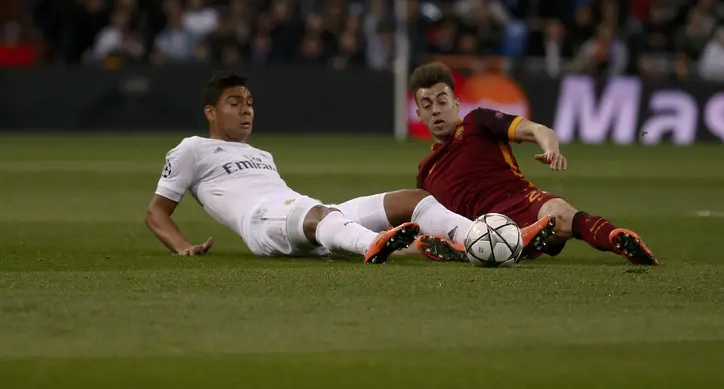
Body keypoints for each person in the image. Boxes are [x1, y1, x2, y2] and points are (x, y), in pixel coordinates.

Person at [145, 71, 497, 264]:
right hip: (262, 223)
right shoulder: (193, 148)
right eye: (235, 103)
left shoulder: (262, 155)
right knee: (316, 213)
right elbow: (156, 213)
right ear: (210, 112)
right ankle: (374, 244)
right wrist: (181, 246)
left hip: (304, 213)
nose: (247, 110)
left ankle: (482, 239)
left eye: (250, 103)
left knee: (412, 199)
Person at [410, 62, 658, 265]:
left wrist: (551, 149)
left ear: (456, 104)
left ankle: (616, 239)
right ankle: (502, 244)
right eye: (427, 105)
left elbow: (536, 129)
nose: (436, 111)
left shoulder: (478, 122)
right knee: (480, 237)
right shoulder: (426, 172)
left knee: (559, 212)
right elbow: (428, 223)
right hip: (479, 230)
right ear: (419, 115)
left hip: (520, 200)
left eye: (442, 101)